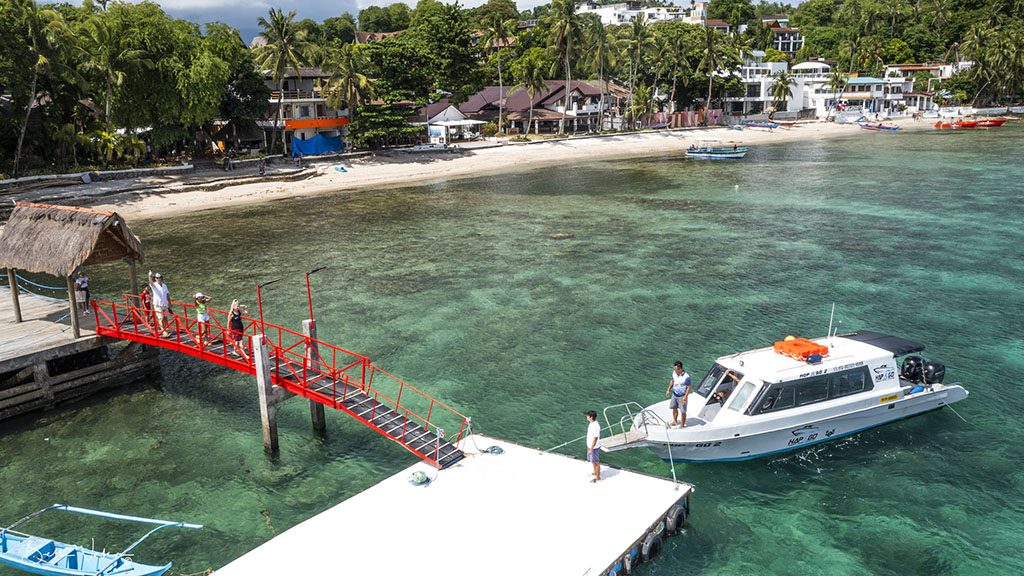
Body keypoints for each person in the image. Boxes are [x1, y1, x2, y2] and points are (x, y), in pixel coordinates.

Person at [665, 361, 691, 428]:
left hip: (682, 396)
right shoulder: (674, 373)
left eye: (676, 369)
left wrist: (685, 397)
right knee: (674, 408)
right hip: (674, 394)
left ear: (680, 368)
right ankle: (675, 421)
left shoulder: (686, 377)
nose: (674, 370)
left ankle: (682, 425)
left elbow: (688, 388)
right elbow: (672, 381)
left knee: (683, 411)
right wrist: (668, 390)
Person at [148, 270, 171, 337]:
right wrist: (149, 276)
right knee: (161, 318)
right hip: (157, 305)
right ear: (155, 279)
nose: (159, 279)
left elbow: (167, 294)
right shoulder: (154, 285)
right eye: (157, 278)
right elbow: (151, 282)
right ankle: (163, 331)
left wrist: (169, 303)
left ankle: (164, 329)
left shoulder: (164, 285)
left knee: (165, 318)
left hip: (164, 304)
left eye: (160, 277)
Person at [585, 410, 602, 483]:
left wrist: (591, 449)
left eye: (587, 416)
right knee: (593, 461)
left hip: (594, 448)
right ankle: (595, 472)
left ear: (591, 417)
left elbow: (595, 438)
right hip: (590, 446)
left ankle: (598, 477)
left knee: (596, 462)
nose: (586, 417)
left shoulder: (595, 426)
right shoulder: (591, 423)